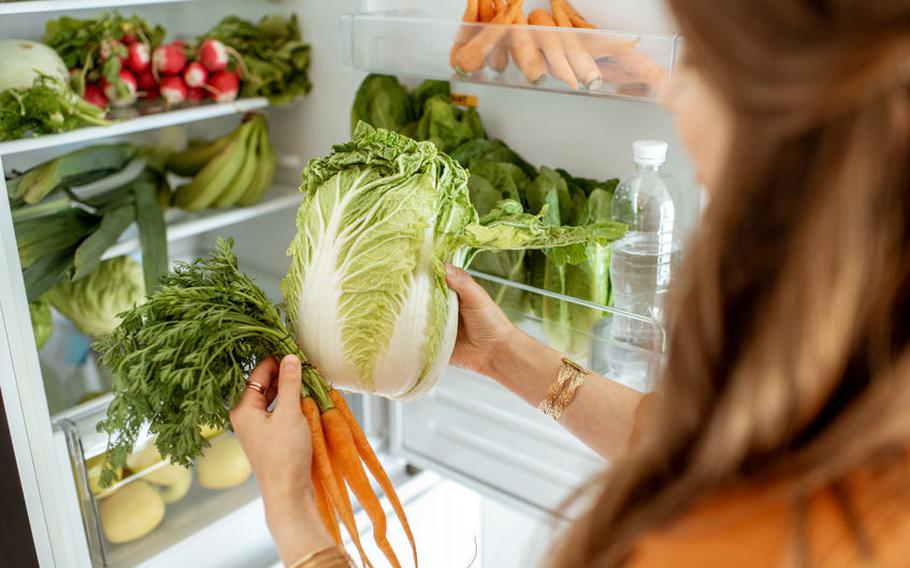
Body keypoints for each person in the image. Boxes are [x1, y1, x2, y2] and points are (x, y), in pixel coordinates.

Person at [229, 0, 910, 565]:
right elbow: (680, 440)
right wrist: (504, 356)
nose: (671, 87)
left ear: (795, 102)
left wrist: (293, 511)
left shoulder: (770, 541)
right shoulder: (849, 374)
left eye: (698, 57)